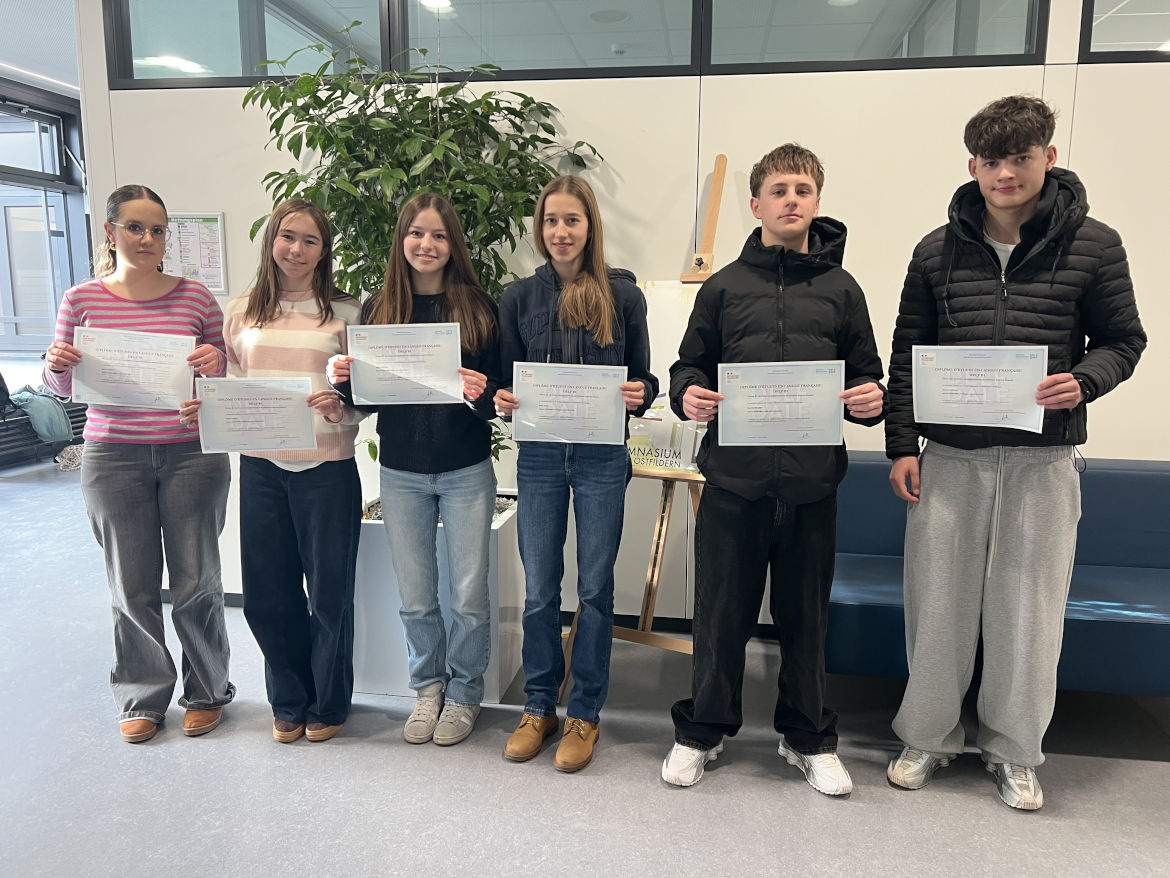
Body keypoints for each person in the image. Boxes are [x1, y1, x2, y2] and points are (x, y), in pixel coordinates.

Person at [884, 95, 1146, 811]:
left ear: (1048, 158)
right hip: (950, 458)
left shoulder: (1095, 244)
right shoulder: (934, 251)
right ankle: (927, 736)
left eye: (1021, 158)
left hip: (1043, 463)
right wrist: (902, 446)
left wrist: (1085, 380)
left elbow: (1124, 341)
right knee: (937, 605)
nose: (1006, 173)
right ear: (973, 166)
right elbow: (907, 356)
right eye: (992, 160)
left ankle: (1014, 751)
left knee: (1028, 612)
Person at [662, 144, 886, 794]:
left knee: (806, 623)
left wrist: (871, 400)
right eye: (779, 190)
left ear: (817, 202)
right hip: (734, 483)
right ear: (756, 203)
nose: (792, 200)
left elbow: (866, 375)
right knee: (719, 618)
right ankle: (702, 731)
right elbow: (688, 365)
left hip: (812, 486)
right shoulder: (723, 287)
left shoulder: (843, 289)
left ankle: (807, 737)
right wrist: (687, 394)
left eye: (803, 190)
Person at [42, 184, 234, 744]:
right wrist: (56, 364)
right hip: (113, 457)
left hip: (191, 454)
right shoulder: (81, 300)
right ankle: (142, 696)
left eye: (156, 230)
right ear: (111, 232)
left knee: (197, 579)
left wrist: (214, 363)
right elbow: (60, 386)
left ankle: (207, 691)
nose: (147, 238)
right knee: (131, 584)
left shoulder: (196, 299)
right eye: (134, 227)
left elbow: (221, 374)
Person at [182, 198, 363, 744]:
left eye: (310, 240)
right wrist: (206, 407)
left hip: (328, 468)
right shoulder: (239, 311)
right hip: (261, 468)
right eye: (288, 236)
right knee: (267, 593)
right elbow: (232, 385)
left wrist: (342, 407)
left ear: (324, 250)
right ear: (271, 241)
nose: (297, 249)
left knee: (329, 595)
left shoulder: (346, 312)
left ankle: (329, 703)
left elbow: (363, 395)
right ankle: (288, 700)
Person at [494, 175, 658, 772]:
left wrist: (642, 391)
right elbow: (503, 380)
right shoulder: (517, 297)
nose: (560, 232)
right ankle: (539, 706)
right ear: (539, 229)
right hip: (540, 457)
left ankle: (585, 712)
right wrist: (503, 398)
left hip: (601, 459)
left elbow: (645, 377)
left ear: (590, 227)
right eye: (550, 221)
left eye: (572, 220)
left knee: (593, 589)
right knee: (540, 588)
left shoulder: (624, 296)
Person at [328, 193, 500, 747]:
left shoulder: (479, 307)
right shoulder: (380, 309)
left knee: (468, 595)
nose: (427, 245)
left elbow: (499, 399)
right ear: (401, 239)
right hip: (401, 472)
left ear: (454, 245)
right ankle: (428, 687)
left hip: (466, 469)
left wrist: (482, 392)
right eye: (417, 233)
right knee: (416, 595)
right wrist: (342, 379)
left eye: (439, 235)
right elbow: (367, 400)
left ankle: (466, 692)